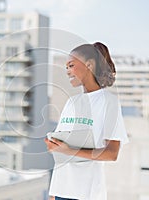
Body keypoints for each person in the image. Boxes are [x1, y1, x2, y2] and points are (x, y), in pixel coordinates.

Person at [44, 42, 129, 200]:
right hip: (61, 190)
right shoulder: (71, 103)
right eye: (66, 68)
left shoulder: (109, 102)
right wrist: (53, 192)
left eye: (71, 65)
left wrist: (69, 150)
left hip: (87, 193)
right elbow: (61, 151)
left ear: (88, 64)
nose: (68, 71)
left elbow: (112, 153)